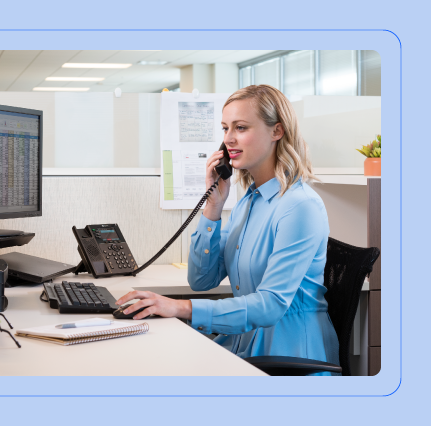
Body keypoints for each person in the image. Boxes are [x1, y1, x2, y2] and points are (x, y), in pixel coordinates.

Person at [115, 84, 339, 376]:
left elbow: (270, 306)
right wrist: (213, 208)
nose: (229, 140)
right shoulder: (249, 201)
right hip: (242, 345)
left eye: (241, 127)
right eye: (225, 129)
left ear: (277, 131)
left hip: (288, 357)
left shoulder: (300, 207)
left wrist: (180, 308)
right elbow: (201, 280)